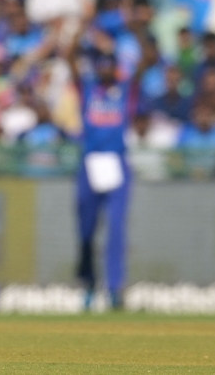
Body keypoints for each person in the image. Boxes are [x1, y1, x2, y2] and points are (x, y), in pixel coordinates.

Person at [63, 34, 134, 311]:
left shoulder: (125, 89)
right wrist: (79, 33)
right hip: (90, 162)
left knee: (116, 228)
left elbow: (144, 63)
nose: (104, 69)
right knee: (86, 230)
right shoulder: (88, 87)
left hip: (116, 161)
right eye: (100, 64)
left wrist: (117, 41)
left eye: (109, 65)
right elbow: (70, 58)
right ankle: (89, 284)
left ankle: (115, 289)